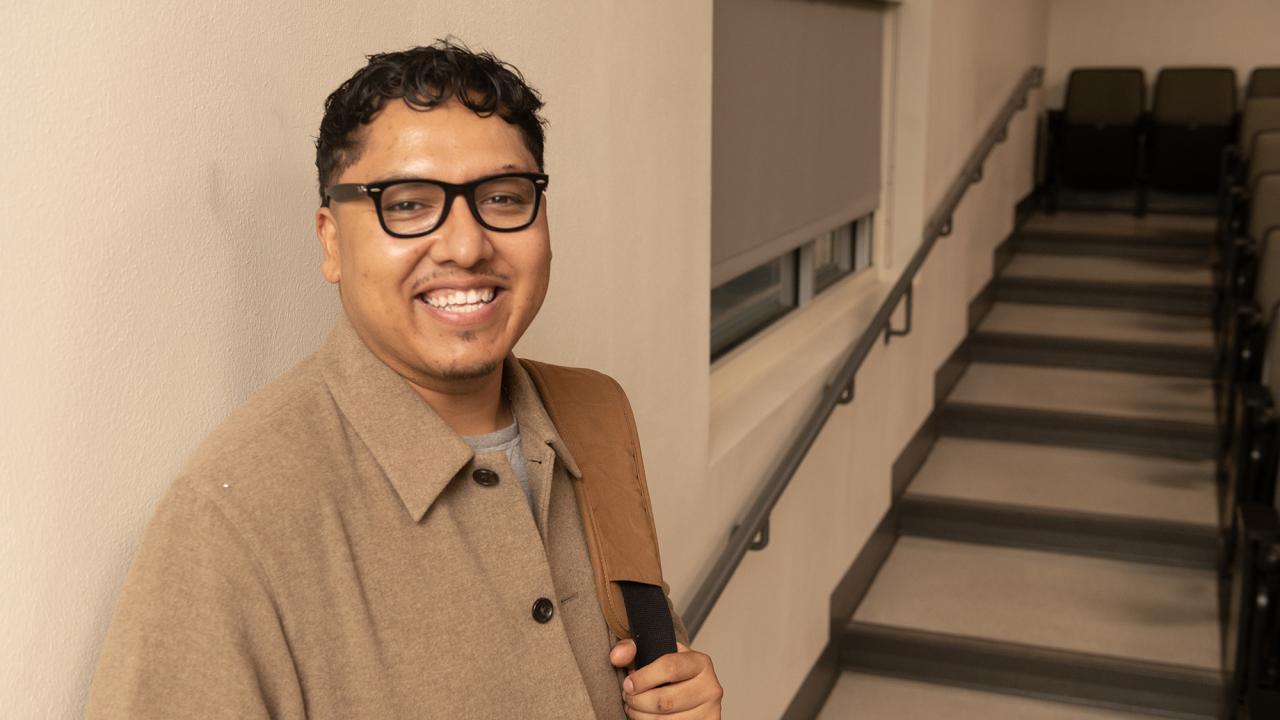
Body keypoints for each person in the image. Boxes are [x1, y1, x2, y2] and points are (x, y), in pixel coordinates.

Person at [86, 40, 722, 719]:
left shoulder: (594, 413)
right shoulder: (231, 524)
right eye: (410, 204)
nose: (466, 244)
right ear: (331, 241)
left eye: (503, 197)